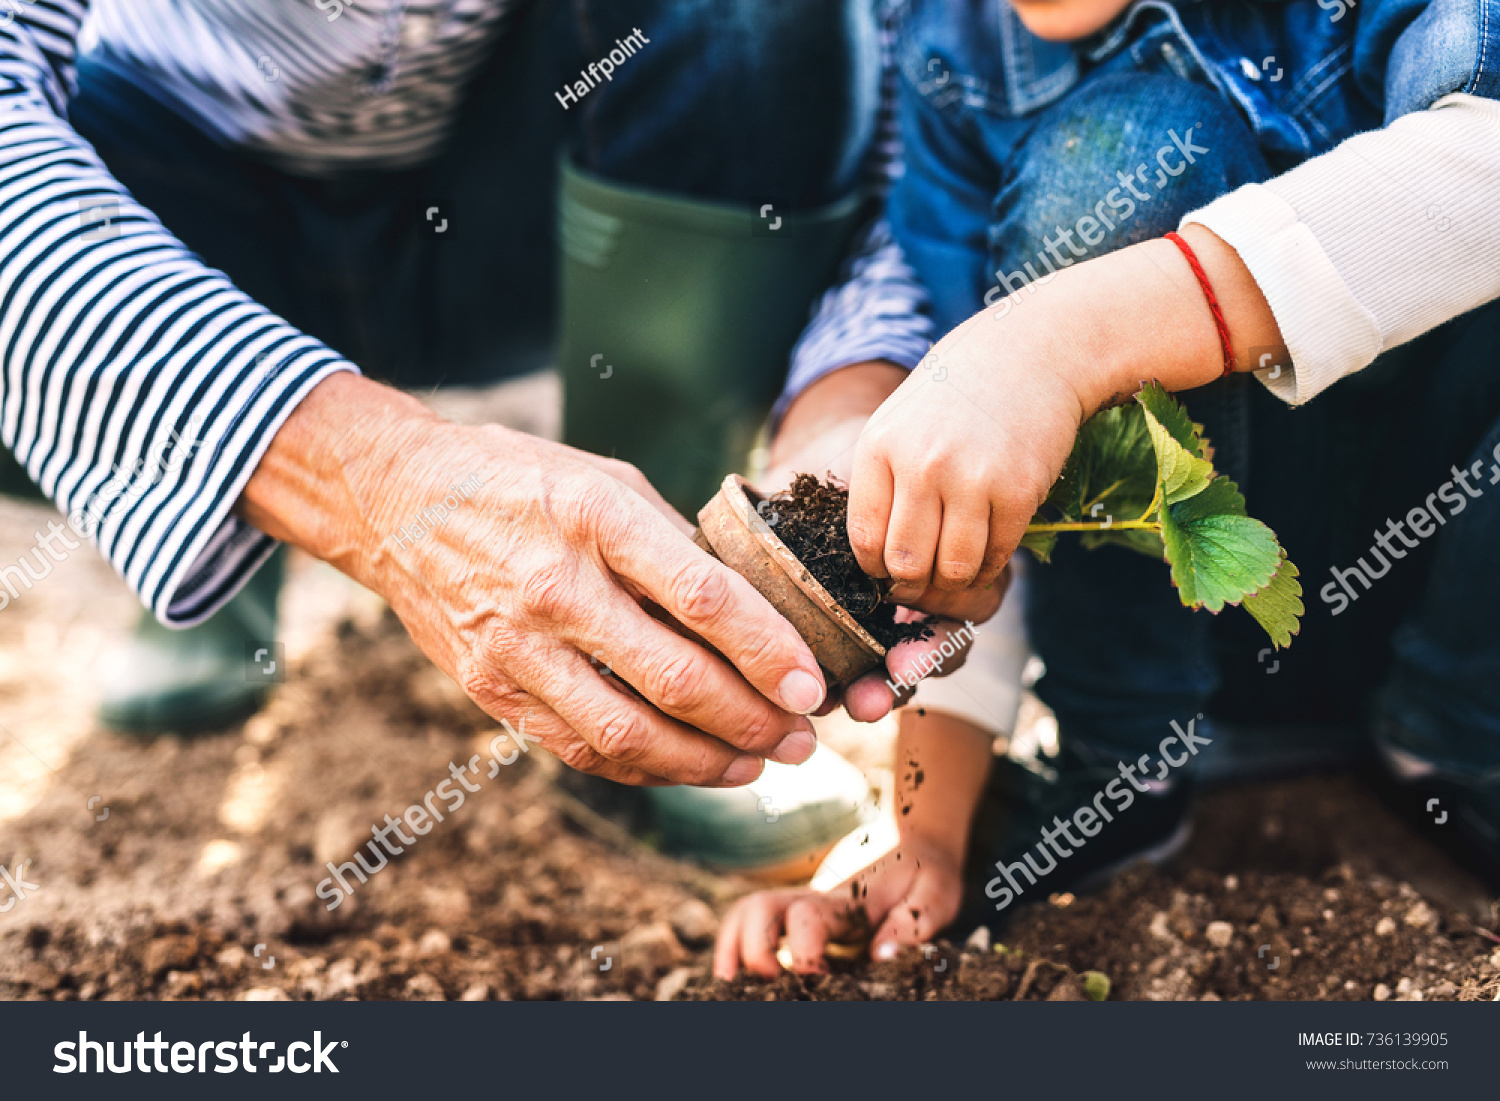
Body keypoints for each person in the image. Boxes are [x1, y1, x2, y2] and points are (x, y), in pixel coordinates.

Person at [0, 1, 996, 789]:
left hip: (504, 204)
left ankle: (655, 637)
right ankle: (219, 528)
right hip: (165, 195)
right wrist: (374, 480)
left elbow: (915, 90)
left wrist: (850, 386)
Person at [715, 0, 1500, 977]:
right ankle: (1123, 764)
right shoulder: (952, 56)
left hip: (1457, 589)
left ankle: (1458, 742)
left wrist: (1067, 340)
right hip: (1195, 644)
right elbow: (970, 458)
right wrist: (924, 829)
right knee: (1124, 151)